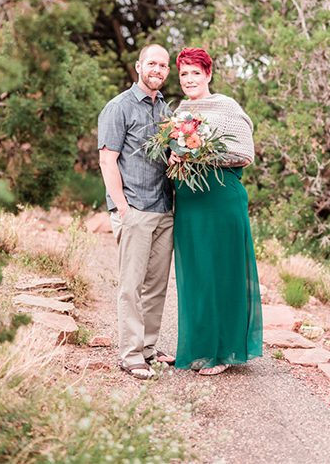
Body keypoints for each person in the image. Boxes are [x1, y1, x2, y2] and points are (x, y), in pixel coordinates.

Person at [170, 47, 262, 375]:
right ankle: (198, 346)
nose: (190, 79)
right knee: (195, 273)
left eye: (196, 72)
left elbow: (244, 153)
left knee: (222, 272)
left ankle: (223, 352)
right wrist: (175, 157)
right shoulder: (180, 110)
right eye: (184, 74)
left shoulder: (227, 107)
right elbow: (177, 150)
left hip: (221, 200)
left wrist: (201, 155)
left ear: (208, 74)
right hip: (191, 204)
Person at [97, 44, 177, 380]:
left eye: (163, 65)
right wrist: (123, 209)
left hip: (164, 208)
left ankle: (148, 347)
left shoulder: (167, 111)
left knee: (157, 285)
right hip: (136, 209)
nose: (157, 70)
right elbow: (107, 159)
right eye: (152, 64)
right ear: (138, 66)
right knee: (131, 286)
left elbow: (168, 154)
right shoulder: (119, 107)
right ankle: (130, 355)